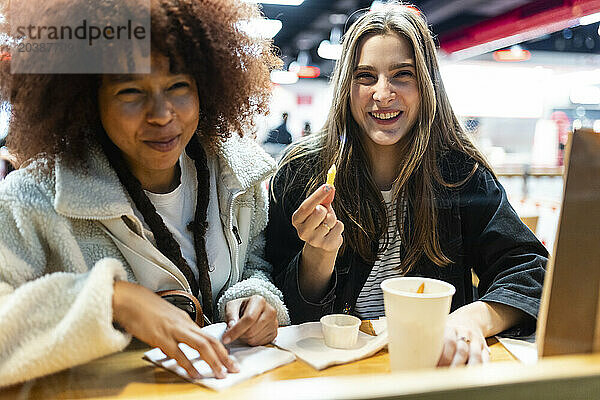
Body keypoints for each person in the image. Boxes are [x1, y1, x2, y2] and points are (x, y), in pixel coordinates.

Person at [0, 0, 289, 387]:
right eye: (131, 91)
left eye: (178, 86)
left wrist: (254, 300)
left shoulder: (235, 175)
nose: (162, 114)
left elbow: (254, 262)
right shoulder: (34, 198)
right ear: (88, 99)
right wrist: (114, 300)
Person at [266, 2, 547, 367]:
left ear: (427, 84)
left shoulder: (460, 174)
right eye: (366, 77)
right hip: (328, 374)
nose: (383, 93)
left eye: (402, 75)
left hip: (432, 369)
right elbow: (276, 303)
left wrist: (469, 319)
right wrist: (318, 256)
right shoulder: (302, 172)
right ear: (345, 87)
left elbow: (530, 271)